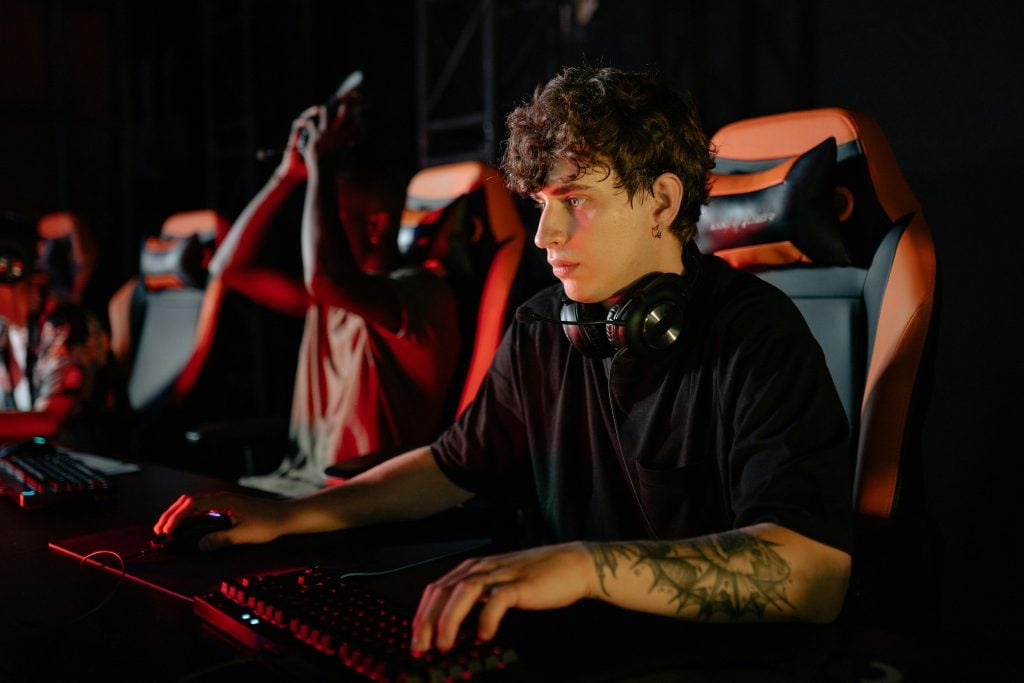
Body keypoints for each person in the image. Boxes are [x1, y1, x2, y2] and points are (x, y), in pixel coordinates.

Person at [155, 66, 853, 654]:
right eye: (542, 202)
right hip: (572, 652)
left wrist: (586, 566)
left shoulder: (757, 333)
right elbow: (448, 465)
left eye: (575, 200)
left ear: (661, 201)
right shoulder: (545, 326)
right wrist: (291, 514)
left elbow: (812, 572)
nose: (546, 233)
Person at [208, 79, 462, 496]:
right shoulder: (327, 301)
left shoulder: (421, 294)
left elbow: (325, 277)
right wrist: (285, 177)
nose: (312, 233)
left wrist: (322, 164)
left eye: (328, 215)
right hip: (287, 490)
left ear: (377, 226)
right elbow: (229, 268)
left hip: (349, 504)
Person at [0, 211, 123, 448]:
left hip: (89, 465)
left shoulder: (66, 324)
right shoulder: (6, 328)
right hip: (33, 462)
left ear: (9, 268)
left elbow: (50, 421)